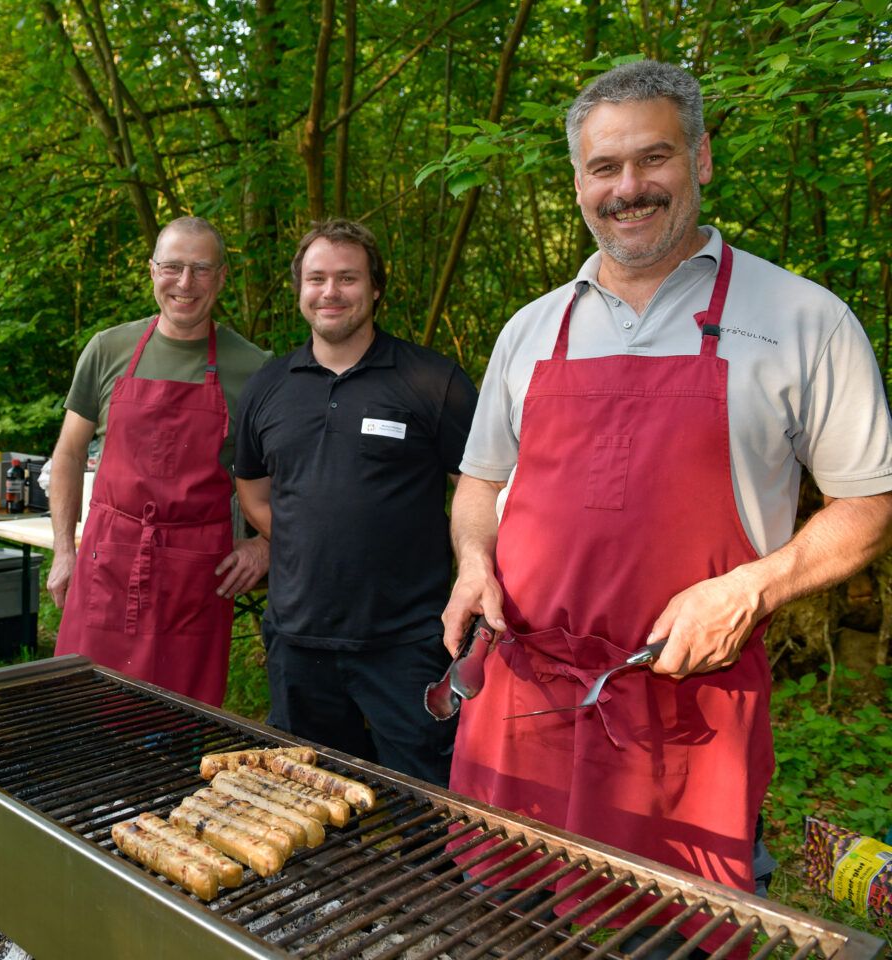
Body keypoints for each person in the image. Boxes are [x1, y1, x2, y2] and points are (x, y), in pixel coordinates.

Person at [442, 60, 892, 946]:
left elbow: (871, 501)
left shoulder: (803, 318)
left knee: (661, 932)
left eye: (653, 159)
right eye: (604, 168)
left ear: (702, 158)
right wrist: (470, 561)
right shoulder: (531, 328)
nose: (628, 188)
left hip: (684, 714)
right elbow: (480, 484)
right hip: (522, 702)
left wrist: (752, 591)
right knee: (504, 919)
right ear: (576, 180)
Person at [234, 219, 477, 785]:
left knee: (426, 799)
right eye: (316, 278)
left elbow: (481, 487)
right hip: (297, 640)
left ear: (375, 290)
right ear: (300, 289)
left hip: (407, 641)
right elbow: (253, 491)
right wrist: (306, 542)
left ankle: (428, 877)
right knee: (307, 797)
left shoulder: (431, 380)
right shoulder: (269, 386)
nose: (331, 291)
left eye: (348, 277)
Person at [49, 216, 272, 706]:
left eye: (200, 269)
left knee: (178, 724)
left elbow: (289, 480)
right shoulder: (108, 349)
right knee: (84, 710)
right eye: (172, 267)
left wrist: (265, 545)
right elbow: (67, 454)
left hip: (194, 581)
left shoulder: (254, 369)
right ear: (152, 271)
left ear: (222, 277)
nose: (185, 284)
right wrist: (64, 549)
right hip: (106, 560)